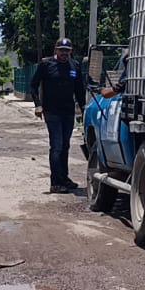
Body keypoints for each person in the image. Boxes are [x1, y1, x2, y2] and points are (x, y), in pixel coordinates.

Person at [29, 38, 86, 193]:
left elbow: (79, 90)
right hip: (51, 112)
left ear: (70, 51)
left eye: (67, 50)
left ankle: (64, 178)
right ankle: (55, 182)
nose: (64, 53)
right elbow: (33, 85)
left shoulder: (75, 66)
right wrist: (38, 105)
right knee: (57, 146)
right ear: (55, 50)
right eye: (61, 50)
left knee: (65, 146)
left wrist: (83, 109)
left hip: (68, 112)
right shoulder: (46, 65)